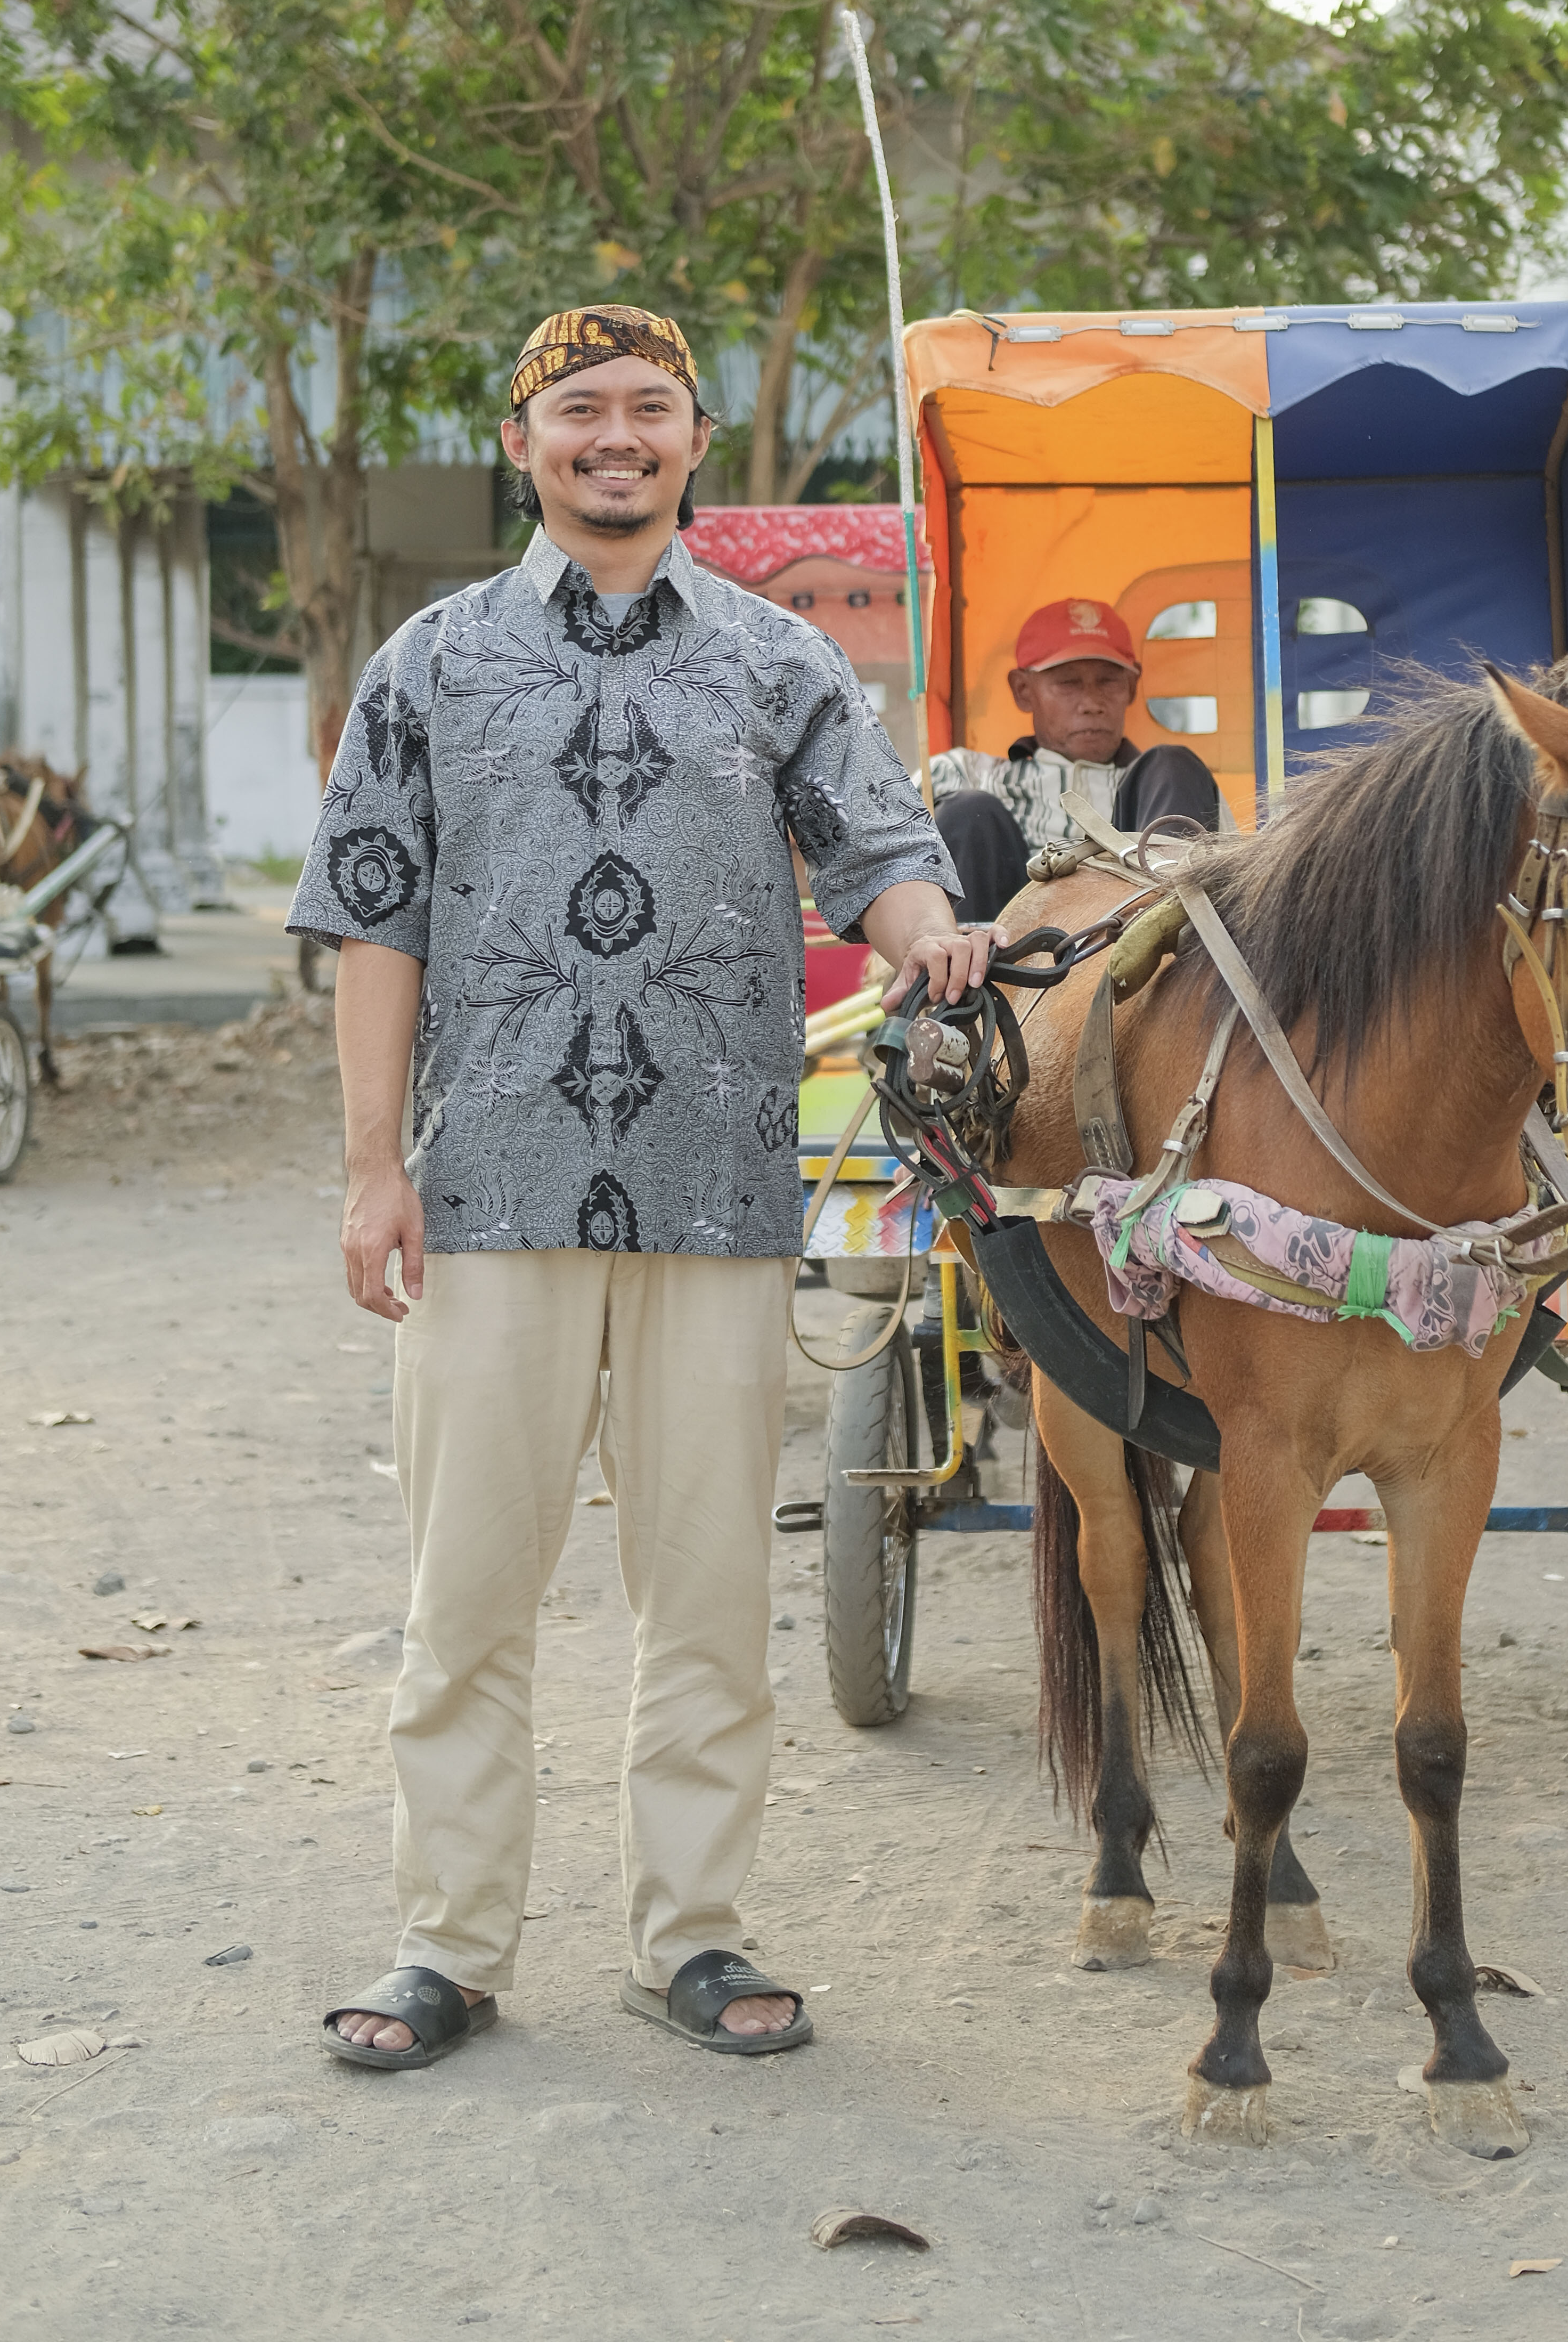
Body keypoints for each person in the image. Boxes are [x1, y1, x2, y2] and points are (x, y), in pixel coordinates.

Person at [295, 302, 991, 2073]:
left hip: (717, 1190)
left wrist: (934, 939)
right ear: (524, 442)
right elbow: (373, 921)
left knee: (709, 1606)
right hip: (487, 1191)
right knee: (467, 1602)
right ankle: (446, 1947)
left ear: (693, 442)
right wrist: (372, 1173)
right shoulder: (431, 663)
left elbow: (881, 855)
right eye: (581, 408)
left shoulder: (779, 660)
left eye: (652, 408)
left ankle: (690, 1936)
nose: (617, 435)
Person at [928, 596, 1222, 924]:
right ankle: (966, 955)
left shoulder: (1163, 786)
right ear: (1023, 690)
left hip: (1129, 933)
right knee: (968, 810)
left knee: (1175, 764)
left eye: (1108, 681)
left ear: (1132, 687)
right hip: (1004, 940)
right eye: (1068, 683)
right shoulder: (965, 773)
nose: (1092, 704)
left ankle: (1163, 934)